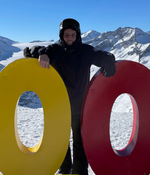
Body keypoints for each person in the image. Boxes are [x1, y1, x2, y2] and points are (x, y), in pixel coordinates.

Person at [23, 18, 116, 175]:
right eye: (66, 35)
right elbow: (28, 51)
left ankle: (80, 172)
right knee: (61, 141)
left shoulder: (86, 51)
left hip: (80, 106)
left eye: (73, 35)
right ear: (61, 35)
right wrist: (42, 53)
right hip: (60, 106)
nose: (70, 38)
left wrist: (109, 62)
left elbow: (104, 55)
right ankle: (64, 170)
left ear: (78, 35)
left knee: (80, 141)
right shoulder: (53, 50)